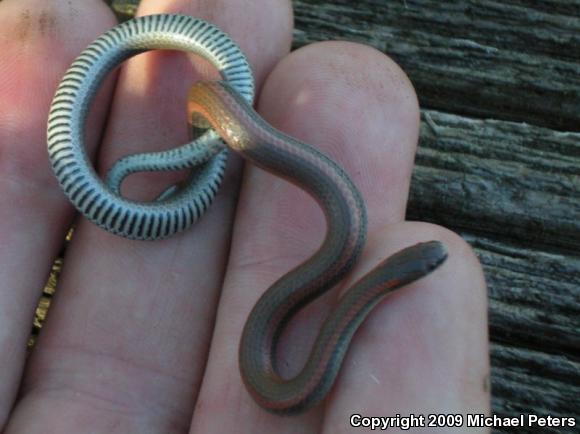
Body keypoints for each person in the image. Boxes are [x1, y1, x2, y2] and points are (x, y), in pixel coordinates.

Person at [0, 0, 490, 432]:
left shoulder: (344, 275)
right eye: (425, 266)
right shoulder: (346, 241)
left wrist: (172, 151)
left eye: (422, 265)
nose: (430, 264)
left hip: (212, 124)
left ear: (390, 281)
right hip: (212, 119)